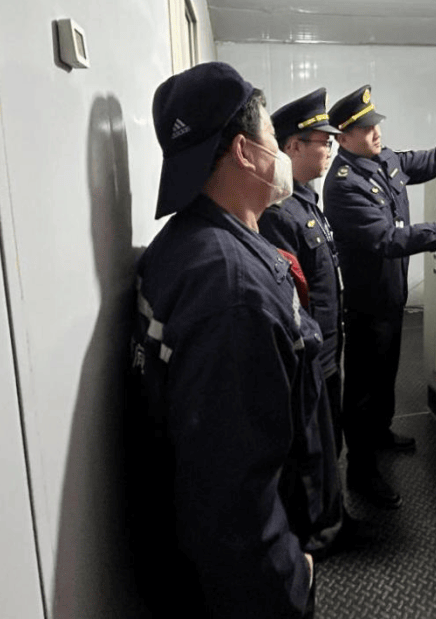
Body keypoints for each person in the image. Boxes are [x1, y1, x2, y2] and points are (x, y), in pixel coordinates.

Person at [128, 62, 326, 617]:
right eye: (273, 139)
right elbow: (233, 495)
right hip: (248, 585)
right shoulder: (232, 290)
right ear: (244, 151)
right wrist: (292, 577)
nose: (280, 154)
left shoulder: (188, 242)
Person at [323, 85, 436, 508]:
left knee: (386, 373)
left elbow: (432, 160)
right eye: (365, 129)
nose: (375, 133)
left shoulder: (386, 160)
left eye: (375, 124)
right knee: (363, 387)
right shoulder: (343, 185)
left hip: (392, 294)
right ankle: (361, 470)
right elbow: (387, 240)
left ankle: (380, 432)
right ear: (343, 137)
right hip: (367, 302)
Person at [258, 88, 347, 555]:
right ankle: (317, 536)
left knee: (330, 446)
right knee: (312, 453)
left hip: (329, 350)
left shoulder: (307, 201)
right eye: (322, 142)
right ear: (293, 146)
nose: (330, 149)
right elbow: (290, 298)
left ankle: (333, 517)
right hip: (311, 358)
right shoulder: (279, 213)